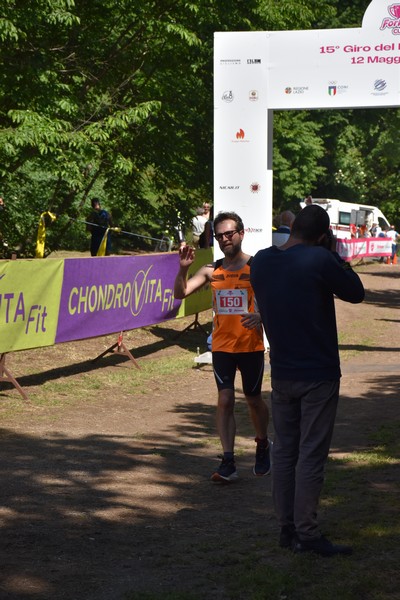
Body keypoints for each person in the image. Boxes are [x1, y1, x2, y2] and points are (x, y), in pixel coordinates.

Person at [251, 204, 365, 557]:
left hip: (282, 371)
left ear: (292, 227)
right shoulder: (320, 259)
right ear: (323, 234)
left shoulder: (262, 261)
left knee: (284, 451)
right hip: (318, 372)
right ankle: (308, 533)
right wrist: (332, 254)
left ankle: (286, 528)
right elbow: (355, 291)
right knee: (311, 455)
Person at [174, 211, 270, 482]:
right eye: (220, 236)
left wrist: (262, 316)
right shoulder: (211, 271)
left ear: (241, 233)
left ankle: (262, 443)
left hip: (250, 346)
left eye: (230, 233)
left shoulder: (257, 268)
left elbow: (276, 301)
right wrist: (182, 268)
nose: (225, 239)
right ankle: (228, 460)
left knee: (253, 400)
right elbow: (179, 293)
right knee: (225, 399)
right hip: (222, 347)